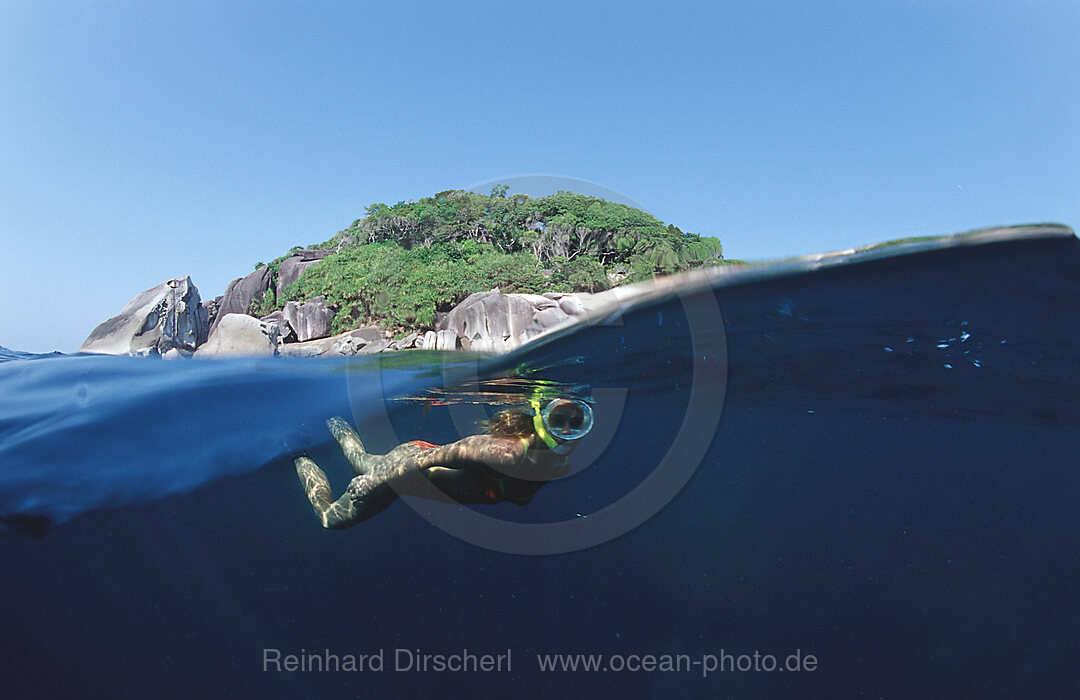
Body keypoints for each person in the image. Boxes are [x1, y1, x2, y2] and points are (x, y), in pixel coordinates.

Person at [295, 398, 594, 529]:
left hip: (413, 472)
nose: (567, 432)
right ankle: (295, 451)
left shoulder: (558, 464)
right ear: (543, 420)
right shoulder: (504, 453)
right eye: (558, 421)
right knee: (330, 520)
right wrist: (375, 481)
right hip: (409, 467)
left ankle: (331, 418)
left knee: (359, 460)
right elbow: (426, 458)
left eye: (577, 423)